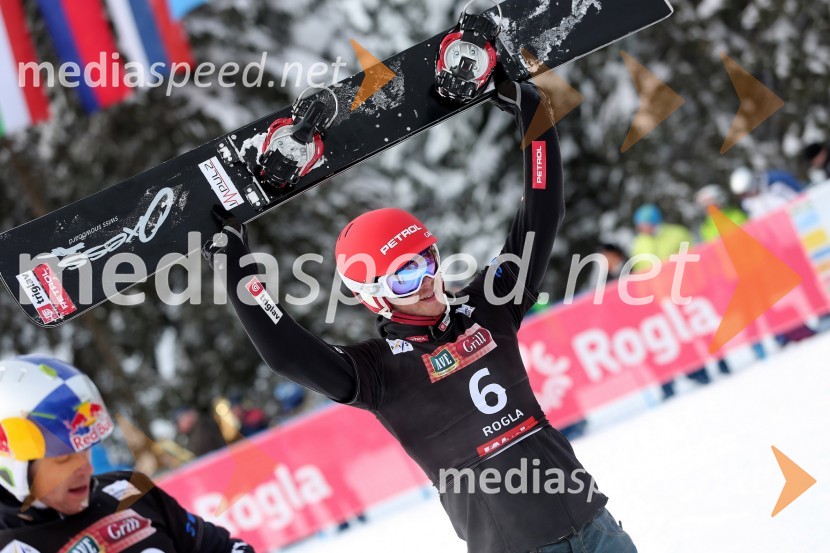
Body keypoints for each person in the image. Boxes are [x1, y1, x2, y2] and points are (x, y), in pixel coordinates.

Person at [204, 77, 637, 552]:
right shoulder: (377, 371)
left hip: (596, 527)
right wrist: (234, 264)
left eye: (427, 261)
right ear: (375, 297)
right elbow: (286, 351)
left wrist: (534, 116)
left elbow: (542, 213)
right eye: (404, 277)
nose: (428, 280)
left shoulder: (488, 306)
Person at [0, 354, 253, 552]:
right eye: (63, 459)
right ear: (13, 465)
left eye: (85, 450)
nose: (85, 469)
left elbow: (220, 548)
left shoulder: (130, 490)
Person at [630, 204, 711, 398]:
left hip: (687, 292)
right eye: (641, 226)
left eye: (646, 224)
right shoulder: (639, 244)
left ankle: (720, 364)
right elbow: (641, 274)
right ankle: (697, 372)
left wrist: (700, 283)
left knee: (702, 330)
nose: (644, 229)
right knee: (680, 337)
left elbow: (695, 259)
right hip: (661, 300)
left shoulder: (676, 233)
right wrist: (644, 299)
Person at [729, 166, 803, 219]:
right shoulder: (748, 205)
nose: (746, 197)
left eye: (746, 193)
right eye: (742, 195)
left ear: (751, 186)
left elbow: (801, 197)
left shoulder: (777, 183)